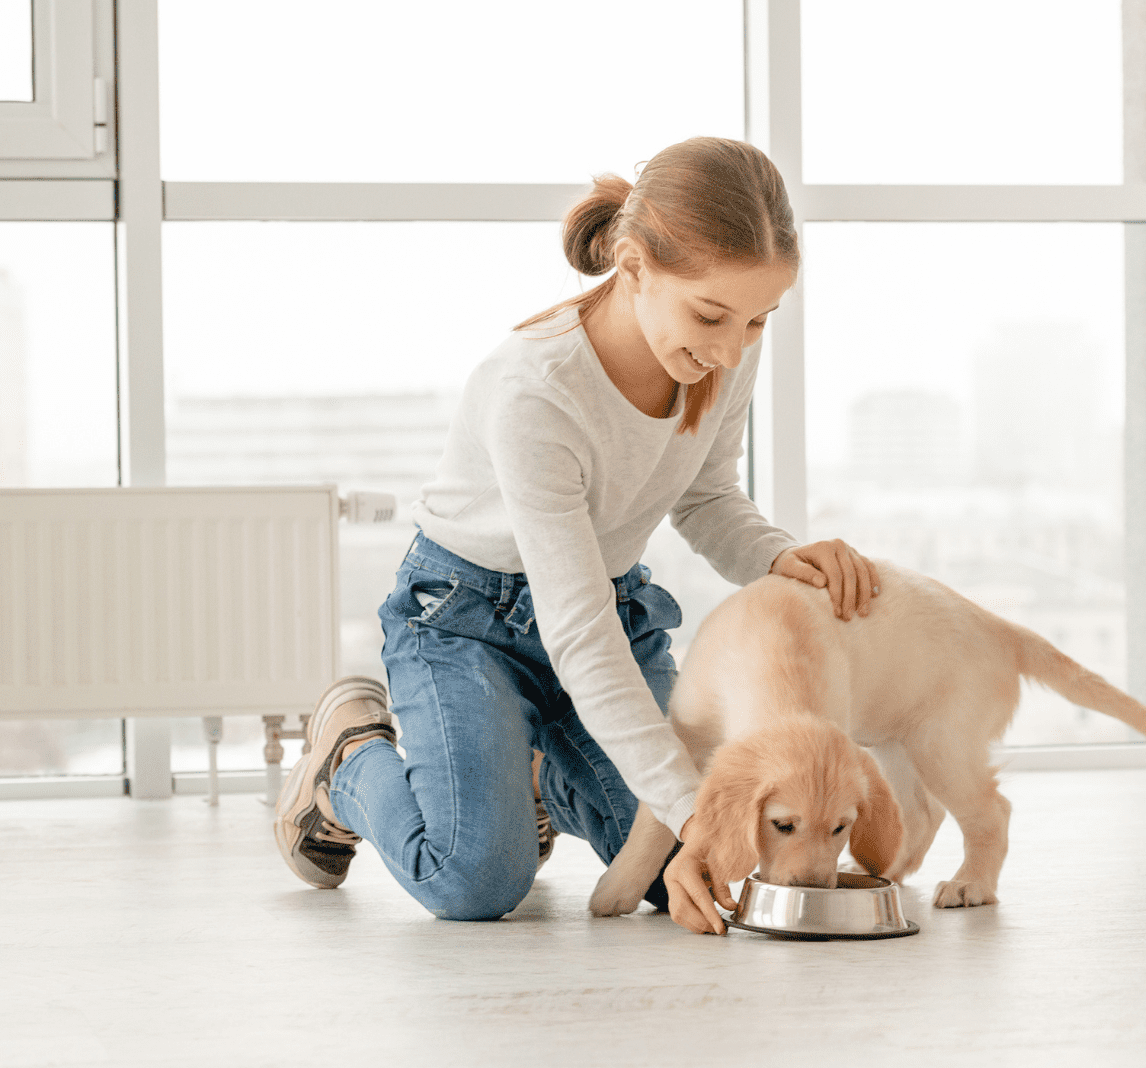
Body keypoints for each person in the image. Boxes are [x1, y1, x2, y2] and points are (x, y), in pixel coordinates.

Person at [272, 136, 877, 934]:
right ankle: (349, 755)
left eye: (760, 318)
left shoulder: (720, 350)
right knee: (475, 881)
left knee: (687, 872)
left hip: (608, 612)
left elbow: (705, 495)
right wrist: (693, 813)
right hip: (467, 623)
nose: (732, 348)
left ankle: (530, 773)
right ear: (632, 267)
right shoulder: (534, 392)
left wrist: (775, 556)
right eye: (712, 315)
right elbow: (579, 632)